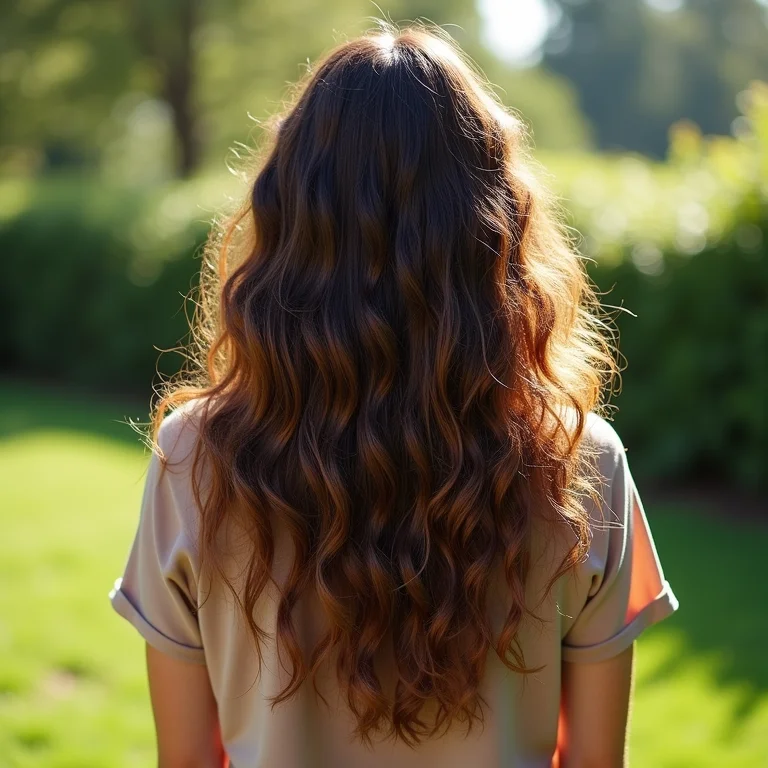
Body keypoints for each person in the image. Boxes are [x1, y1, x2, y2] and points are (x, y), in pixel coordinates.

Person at [110, 24, 679, 768]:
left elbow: (185, 761)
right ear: (494, 224)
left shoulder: (193, 457)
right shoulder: (582, 462)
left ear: (290, 218)